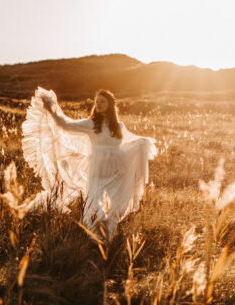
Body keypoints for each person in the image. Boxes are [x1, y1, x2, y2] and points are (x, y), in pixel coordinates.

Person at [21, 87, 157, 239]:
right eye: (97, 101)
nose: (98, 104)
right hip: (98, 172)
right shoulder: (91, 124)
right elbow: (65, 124)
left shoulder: (119, 127)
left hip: (117, 172)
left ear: (110, 105)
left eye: (102, 101)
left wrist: (142, 143)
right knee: (97, 203)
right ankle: (93, 237)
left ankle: (105, 240)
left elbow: (129, 142)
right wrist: (51, 110)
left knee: (112, 206)